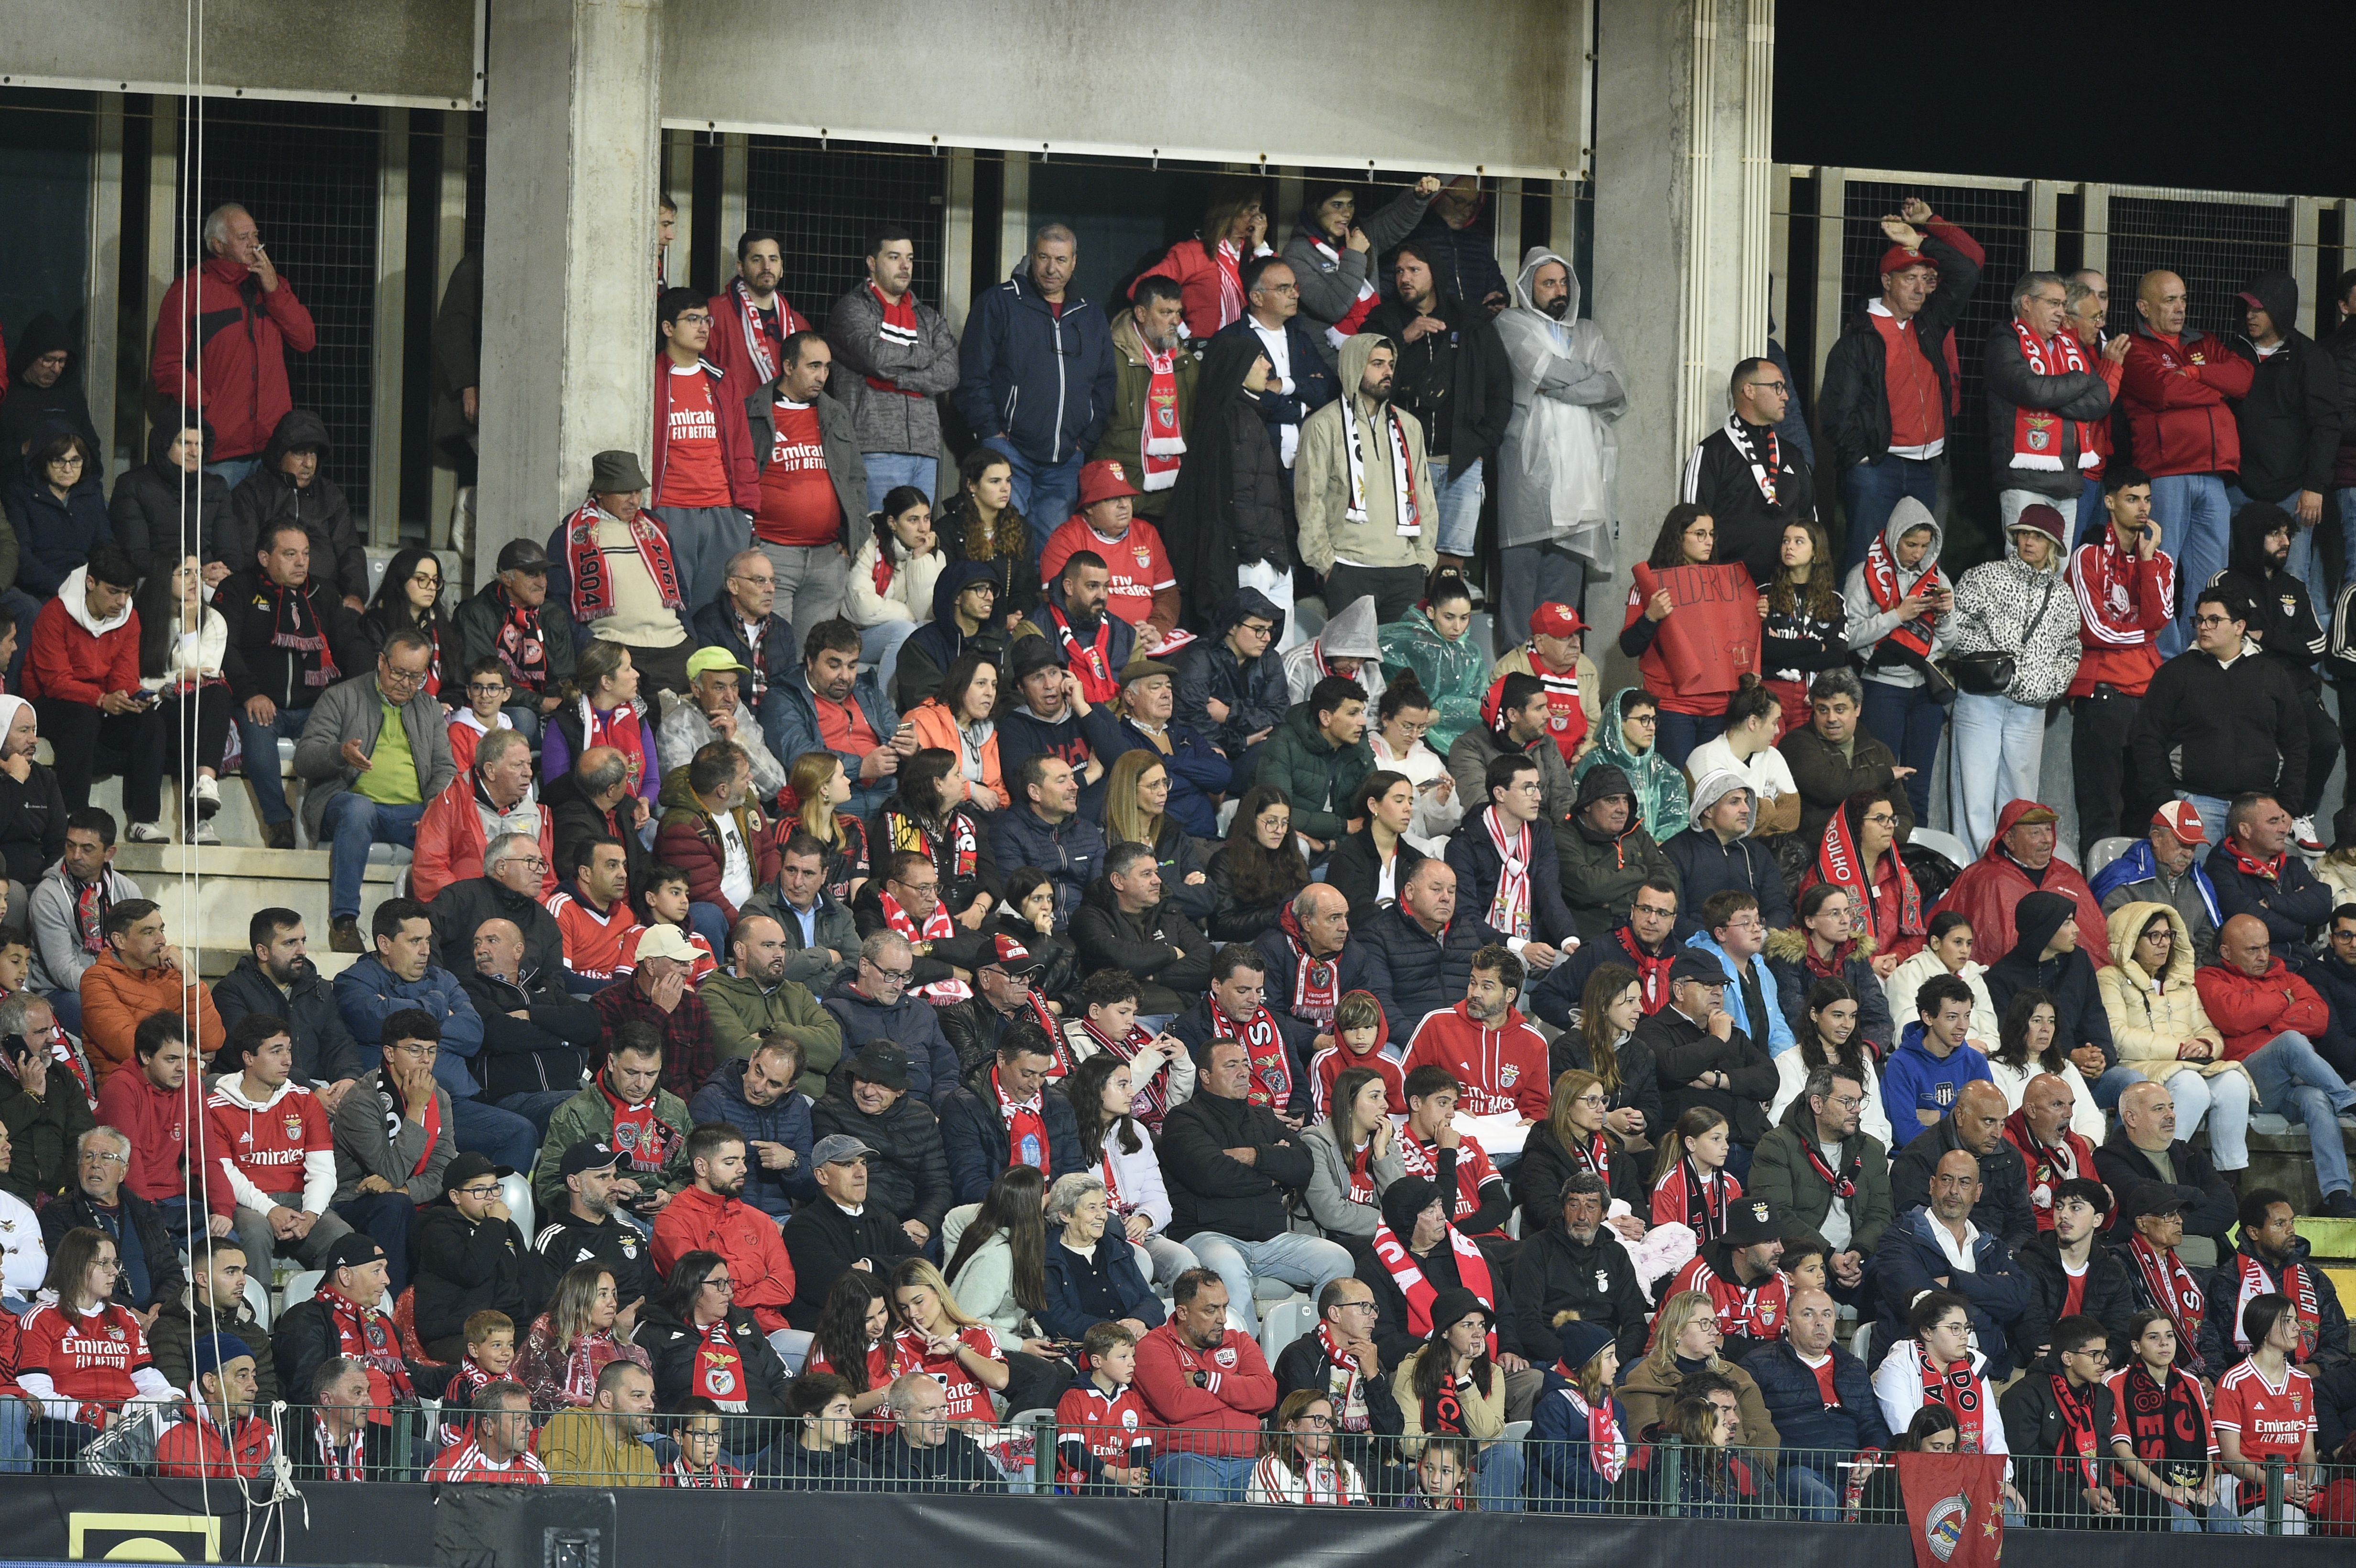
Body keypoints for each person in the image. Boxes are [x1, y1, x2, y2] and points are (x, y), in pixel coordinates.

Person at [1818, 202, 1984, 572]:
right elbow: (1835, 412)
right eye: (1910, 278)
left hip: (1928, 468)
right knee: (1866, 559)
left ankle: (1907, 631)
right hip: (1879, 467)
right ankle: (1857, 631)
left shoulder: (1929, 323)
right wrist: (1862, 460)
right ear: (1887, 281)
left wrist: (1920, 239)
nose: (1921, 289)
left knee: (1919, 564)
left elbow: (1967, 271)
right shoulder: (1859, 338)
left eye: (1926, 279)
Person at [1158, 1036, 1351, 1336]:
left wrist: (1253, 1155)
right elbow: (1212, 1177)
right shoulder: (1183, 1121)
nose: (1244, 1072)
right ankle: (1250, 1366)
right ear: (1205, 1076)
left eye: (1245, 1064)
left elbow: (1303, 1166)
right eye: (1231, 1065)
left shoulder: (1263, 1118)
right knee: (1229, 1272)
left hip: (1272, 1240)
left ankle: (1310, 1356)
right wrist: (1274, 1174)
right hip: (1209, 1237)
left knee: (1338, 1259)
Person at [955, 225, 1115, 568]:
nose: (1051, 268)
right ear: (1032, 257)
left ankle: (1040, 622)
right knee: (1000, 548)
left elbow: (1104, 384)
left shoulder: (1090, 315)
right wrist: (990, 433)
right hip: (1008, 452)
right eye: (1043, 257)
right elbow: (973, 374)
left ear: (1074, 263)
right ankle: (999, 617)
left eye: (1060, 260)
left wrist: (1084, 441)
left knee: (1052, 557)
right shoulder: (1000, 302)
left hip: (1065, 460)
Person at [1493, 246, 1629, 645]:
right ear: (1528, 288)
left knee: (1563, 598)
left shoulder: (1588, 332)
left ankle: (1556, 685)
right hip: (1528, 476)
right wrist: (1583, 376)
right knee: (1520, 589)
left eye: (1563, 282)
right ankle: (1516, 682)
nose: (1558, 290)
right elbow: (1542, 370)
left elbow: (1615, 385)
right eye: (1548, 283)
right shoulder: (1512, 323)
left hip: (1580, 484)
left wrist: (1559, 388)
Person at [2118, 271, 2258, 653]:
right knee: (2158, 570)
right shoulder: (2133, 346)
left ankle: (2198, 657)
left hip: (2213, 477)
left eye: (2182, 298)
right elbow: (2164, 389)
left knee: (2211, 580)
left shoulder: (2202, 343)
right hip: (2166, 475)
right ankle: (2161, 657)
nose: (2180, 308)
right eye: (2169, 301)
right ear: (2144, 307)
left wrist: (2196, 373)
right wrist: (2216, 390)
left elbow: (2243, 379)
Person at [293, 630, 453, 953]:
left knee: (456, 824)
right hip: (348, 806)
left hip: (412, 814)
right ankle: (345, 922)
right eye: (398, 673)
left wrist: (436, 807)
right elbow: (304, 757)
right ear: (381, 662)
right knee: (359, 810)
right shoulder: (342, 697)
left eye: (416, 677)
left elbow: (444, 768)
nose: (406, 684)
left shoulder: (430, 710)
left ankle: (445, 930)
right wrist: (340, 754)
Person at [1362, 242, 1513, 577]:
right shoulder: (1382, 321)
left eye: (1414, 270)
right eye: (1399, 271)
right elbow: (1360, 380)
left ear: (1435, 274)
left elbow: (1500, 388)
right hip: (1398, 465)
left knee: (1450, 567)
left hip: (1459, 464)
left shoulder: (1471, 323)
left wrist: (1481, 446)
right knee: (1400, 561)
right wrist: (1402, 340)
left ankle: (1441, 630)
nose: (1405, 278)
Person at [1943, 503, 2081, 858]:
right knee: (1973, 792)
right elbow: (1955, 629)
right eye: (2024, 534)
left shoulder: (2064, 596)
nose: (2028, 542)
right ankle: (1975, 872)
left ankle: (2013, 871)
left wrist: (2048, 685)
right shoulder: (1985, 576)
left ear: (2052, 544)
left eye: (2038, 536)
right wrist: (1997, 661)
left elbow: (2071, 649)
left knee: (2021, 796)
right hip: (1982, 698)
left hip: (2031, 708)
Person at [2195, 915, 2356, 1217]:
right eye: (2253, 950)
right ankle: (2349, 1101)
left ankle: (2338, 1194)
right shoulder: (2210, 978)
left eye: (2267, 948)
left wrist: (2264, 1016)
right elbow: (2235, 1018)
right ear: (2227, 952)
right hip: (2247, 1081)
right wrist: (2284, 1002)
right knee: (2292, 1041)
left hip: (2288, 1086)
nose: (2264, 956)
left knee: (2318, 1100)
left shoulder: (2288, 976)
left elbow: (2319, 1018)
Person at [150, 204, 316, 483]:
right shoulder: (190, 292)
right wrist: (206, 405)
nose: (254, 244)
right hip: (220, 452)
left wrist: (274, 290)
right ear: (218, 245)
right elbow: (167, 367)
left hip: (273, 448)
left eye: (255, 235)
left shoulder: (272, 285)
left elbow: (306, 340)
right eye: (243, 238)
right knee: (217, 526)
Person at [2212, 509, 2338, 849]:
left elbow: (2316, 645)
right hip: (2248, 686)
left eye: (2288, 535)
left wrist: (2268, 636)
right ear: (2254, 539)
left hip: (2296, 688)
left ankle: (2299, 814)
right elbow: (2228, 639)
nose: (2285, 543)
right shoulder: (2225, 583)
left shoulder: (2294, 587)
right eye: (2275, 535)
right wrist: (2284, 644)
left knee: (2327, 739)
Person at [2098, 899, 2252, 1174]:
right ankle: (2161, 1168)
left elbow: (2208, 1030)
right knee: (2190, 1085)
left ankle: (2230, 1177)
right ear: (2132, 939)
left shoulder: (2182, 982)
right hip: (2140, 1067)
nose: (2164, 943)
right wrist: (2180, 1049)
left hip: (2187, 1064)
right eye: (2154, 936)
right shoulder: (2111, 978)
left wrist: (2205, 1045)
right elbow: (2117, 1036)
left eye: (2168, 935)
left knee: (2233, 1082)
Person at [2066, 470, 2175, 858]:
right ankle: (2101, 901)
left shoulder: (2159, 561)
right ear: (2110, 501)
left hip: (2148, 699)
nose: (2143, 507)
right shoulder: (2088, 555)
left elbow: (2160, 618)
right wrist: (2144, 635)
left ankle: (2135, 904)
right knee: (2101, 810)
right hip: (2104, 695)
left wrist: (2146, 563)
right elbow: (2093, 630)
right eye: (2132, 498)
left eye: (2147, 499)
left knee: (2145, 810)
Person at [1294, 334, 1436, 625]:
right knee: (1350, 666)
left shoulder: (1410, 426)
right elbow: (1310, 500)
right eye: (1378, 364)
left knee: (1399, 670)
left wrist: (1423, 561)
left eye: (1391, 365)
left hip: (1405, 570)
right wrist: (1327, 565)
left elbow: (1424, 496)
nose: (1388, 372)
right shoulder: (1323, 425)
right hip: (1349, 569)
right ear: (1354, 367)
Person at [817, 224, 959, 513]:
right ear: (872, 263)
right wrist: (926, 355)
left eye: (910, 258)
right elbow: (876, 357)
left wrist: (900, 376)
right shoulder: (853, 310)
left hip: (925, 451)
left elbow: (949, 373)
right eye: (894, 257)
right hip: (873, 447)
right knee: (876, 545)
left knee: (917, 547)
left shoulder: (928, 318)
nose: (905, 266)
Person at [16, 1226, 175, 1465]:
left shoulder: (125, 1318)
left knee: (179, 1439)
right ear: (78, 1266)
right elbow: (36, 1394)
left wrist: (171, 1399)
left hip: (129, 1419)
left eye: (115, 1263)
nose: (114, 1272)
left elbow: (146, 1377)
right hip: (68, 1425)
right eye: (104, 1263)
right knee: (104, 1444)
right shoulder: (40, 1318)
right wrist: (95, 1415)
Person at [1872, 1150, 2033, 1378]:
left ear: (1978, 1192)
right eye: (1947, 1180)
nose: (1954, 1190)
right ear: (1932, 1185)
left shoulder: (1990, 1244)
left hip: (1989, 1375)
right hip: (1918, 1375)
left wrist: (1954, 1281)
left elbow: (2019, 1296)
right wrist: (1990, 1296)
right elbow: (1922, 1303)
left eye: (1965, 1183)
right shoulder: (1901, 1236)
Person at [1132, 1265, 1277, 1500]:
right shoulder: (1154, 1347)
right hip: (1184, 1457)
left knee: (1274, 1495)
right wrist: (1239, 1391)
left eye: (1225, 1307)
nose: (1222, 1319)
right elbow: (1176, 1405)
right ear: (1183, 1312)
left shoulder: (1241, 1342)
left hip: (1248, 1458)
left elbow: (1266, 1395)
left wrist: (1209, 1382)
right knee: (1204, 1497)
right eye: (1211, 1310)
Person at [1750, 1065, 1893, 1303]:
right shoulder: (1777, 1145)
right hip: (1803, 1259)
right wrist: (1827, 1255)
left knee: (1895, 1276)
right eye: (1847, 1101)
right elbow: (1776, 1215)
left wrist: (1858, 1252)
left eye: (1859, 1101)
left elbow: (1881, 1213)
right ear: (1817, 1104)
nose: (1857, 1110)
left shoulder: (1872, 1150)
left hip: (1859, 1259)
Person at [21, 544, 142, 818]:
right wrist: (101, 699)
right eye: (114, 591)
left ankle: (145, 819)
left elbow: (125, 672)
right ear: (90, 582)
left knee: (150, 723)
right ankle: (70, 815)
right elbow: (56, 682)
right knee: (83, 719)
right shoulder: (55, 613)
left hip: (98, 702)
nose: (122, 601)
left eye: (128, 592)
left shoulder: (129, 618)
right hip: (49, 702)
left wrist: (129, 696)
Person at [1748, 1285, 1890, 1518]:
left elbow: (1872, 1424)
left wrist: (1869, 1458)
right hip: (1794, 1469)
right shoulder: (1760, 1365)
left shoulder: (1852, 1367)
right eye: (1808, 1314)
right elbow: (1754, 1428)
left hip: (1850, 1471)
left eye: (1827, 1314)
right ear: (1787, 1322)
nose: (1820, 1322)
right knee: (1820, 1499)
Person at [1633, 953, 1774, 1176]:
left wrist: (1719, 1080)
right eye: (1708, 985)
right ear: (1679, 991)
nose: (1718, 992)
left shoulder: (1731, 1032)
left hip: (1753, 1146)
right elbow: (1671, 1068)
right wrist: (1717, 1040)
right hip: (1694, 1156)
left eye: (1721, 985)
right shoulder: (1653, 1029)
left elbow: (1769, 1079)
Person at [123, 554, 231, 844]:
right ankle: (143, 820)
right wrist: (175, 681)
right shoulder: (140, 618)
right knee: (154, 724)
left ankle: (204, 795)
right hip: (149, 707)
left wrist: (190, 627)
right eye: (185, 573)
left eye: (197, 572)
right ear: (163, 578)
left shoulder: (214, 621)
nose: (196, 579)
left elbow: (203, 676)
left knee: (218, 694)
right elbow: (139, 679)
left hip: (188, 708)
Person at [1933, 798, 2113, 970]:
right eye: (2036, 833)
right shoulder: (1983, 878)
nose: (2047, 840)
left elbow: (2097, 942)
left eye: (2048, 830)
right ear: (2009, 840)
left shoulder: (2068, 876)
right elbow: (1943, 926)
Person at [1683, 358, 1819, 585]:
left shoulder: (1793, 456)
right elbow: (1689, 528)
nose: (1785, 396)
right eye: (1777, 387)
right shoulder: (1711, 453)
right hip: (1726, 593)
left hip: (1784, 590)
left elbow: (1812, 527)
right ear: (1750, 391)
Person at [1343, 859, 1516, 1030]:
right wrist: (1421, 1043)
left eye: (1452, 891)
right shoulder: (1377, 935)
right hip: (1411, 1039)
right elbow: (1379, 1002)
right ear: (1410, 891)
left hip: (1467, 1037)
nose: (1446, 898)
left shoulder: (1464, 929)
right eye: (1436, 889)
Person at [219, 410, 366, 606]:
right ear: (280, 454)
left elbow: (350, 551)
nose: (309, 463)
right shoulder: (252, 492)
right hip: (269, 596)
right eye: (300, 454)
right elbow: (247, 553)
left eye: (313, 453)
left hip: (326, 598)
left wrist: (355, 594)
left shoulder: (330, 495)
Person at [2105, 1306, 2230, 1531]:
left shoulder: (2191, 1384)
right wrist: (2169, 1491)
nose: (2164, 1343)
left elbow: (2208, 1451)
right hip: (2133, 1488)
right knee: (2184, 1522)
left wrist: (2208, 1489)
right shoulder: (2116, 1384)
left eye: (2169, 1336)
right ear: (2136, 1346)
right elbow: (2122, 1453)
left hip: (2189, 1486)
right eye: (2154, 1337)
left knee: (2226, 1524)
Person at [1509, 1166, 1651, 1365]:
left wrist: (1615, 1359)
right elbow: (1527, 1323)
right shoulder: (1537, 1249)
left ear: (1604, 1214)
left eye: (1591, 1207)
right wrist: (1577, 1362)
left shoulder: (1615, 1254)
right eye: (1574, 1205)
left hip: (1609, 1360)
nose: (1582, 1216)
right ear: (1563, 1209)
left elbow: (1635, 1323)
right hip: (1556, 1359)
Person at [36, 1126, 179, 1320]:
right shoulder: (58, 1213)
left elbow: (172, 1271)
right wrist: (130, 1314)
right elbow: (69, 1275)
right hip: (96, 1319)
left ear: (123, 1172)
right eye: (88, 1157)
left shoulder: (146, 1212)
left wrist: (160, 1307)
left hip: (156, 1319)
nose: (95, 1164)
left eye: (106, 1157)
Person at [1997, 1311, 2125, 1526]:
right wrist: (2081, 1491)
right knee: (2073, 1506)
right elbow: (2024, 1465)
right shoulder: (2025, 1395)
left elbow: (2103, 1453)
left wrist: (2102, 1487)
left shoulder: (2102, 1396)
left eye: (2105, 1353)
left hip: (2086, 1488)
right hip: (2037, 1489)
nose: (2104, 1361)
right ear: (2068, 1358)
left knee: (2148, 1506)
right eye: (2095, 1354)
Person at [2203, 1186, 2349, 1372]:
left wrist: (2315, 1368)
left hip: (2314, 1380)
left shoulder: (2314, 1277)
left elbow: (2336, 1337)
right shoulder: (2230, 1280)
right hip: (2252, 1382)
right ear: (2254, 1233)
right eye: (2280, 1224)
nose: (2291, 1230)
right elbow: (2222, 1347)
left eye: (2292, 1221)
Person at [81, 899, 224, 1087]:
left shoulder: (173, 973)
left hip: (191, 1084)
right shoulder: (97, 980)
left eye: (161, 930)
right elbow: (134, 1049)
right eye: (149, 932)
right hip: (137, 1089)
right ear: (120, 940)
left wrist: (189, 975)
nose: (162, 940)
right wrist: (193, 1053)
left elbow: (212, 1041)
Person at [654, 744, 783, 952]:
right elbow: (706, 894)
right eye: (744, 777)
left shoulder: (746, 800)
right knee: (707, 915)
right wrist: (750, 933)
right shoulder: (683, 828)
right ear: (722, 790)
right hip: (726, 924)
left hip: (760, 910)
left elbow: (769, 852)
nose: (751, 779)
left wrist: (771, 906)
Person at [2213, 1292, 2323, 1532]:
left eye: (2296, 1320)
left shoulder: (2302, 1382)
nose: (2298, 1328)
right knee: (2290, 1526)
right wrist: (2277, 1485)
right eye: (2287, 1321)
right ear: (2264, 1328)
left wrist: (2304, 1485)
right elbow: (2232, 1457)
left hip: (2292, 1485)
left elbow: (2306, 1451)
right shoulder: (2234, 1381)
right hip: (2246, 1482)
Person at [1887, 1077, 2034, 1250]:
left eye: (2002, 1123)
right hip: (1942, 1254)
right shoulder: (1919, 1158)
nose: (1997, 1134)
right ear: (1960, 1115)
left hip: (2001, 1253)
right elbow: (1916, 1227)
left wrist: (2004, 1257)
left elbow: (2022, 1222)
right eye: (1989, 1122)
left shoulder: (2010, 1157)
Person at [25, 811, 137, 1036]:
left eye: (87, 849)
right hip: (60, 992)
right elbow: (63, 971)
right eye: (70, 845)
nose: (76, 856)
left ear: (109, 853)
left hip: (119, 985)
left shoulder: (127, 890)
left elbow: (142, 948)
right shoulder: (48, 895)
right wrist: (113, 990)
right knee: (96, 1014)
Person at [1100, 660, 1232, 847]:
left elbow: (1222, 776)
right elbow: (1147, 791)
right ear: (1130, 697)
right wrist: (1198, 780)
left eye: (1169, 687)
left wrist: (1170, 762)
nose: (1167, 694)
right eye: (1156, 687)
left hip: (1208, 838)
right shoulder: (1122, 738)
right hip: (1162, 844)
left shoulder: (1185, 732)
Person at [997, 631, 1125, 822]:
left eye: (1053, 673)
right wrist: (1090, 776)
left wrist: (1081, 707)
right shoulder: (1014, 729)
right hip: (1058, 831)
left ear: (1066, 676)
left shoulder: (1093, 713)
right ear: (1021, 688)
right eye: (1037, 677)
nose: (1049, 685)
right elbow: (1028, 793)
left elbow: (1125, 767)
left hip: (1114, 821)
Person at [454, 538, 572, 737]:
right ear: (507, 579)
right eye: (532, 574)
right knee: (525, 719)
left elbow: (564, 674)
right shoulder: (475, 613)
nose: (542, 582)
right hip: (494, 702)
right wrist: (540, 703)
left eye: (544, 574)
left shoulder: (553, 614)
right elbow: (483, 676)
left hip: (546, 703)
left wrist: (560, 702)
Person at [2014, 1178, 2136, 1370]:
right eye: (2059, 1207)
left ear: (2098, 1219)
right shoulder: (2029, 1262)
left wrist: (2096, 1362)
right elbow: (2032, 1335)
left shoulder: (2113, 1272)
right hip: (2036, 1369)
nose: (2063, 1215)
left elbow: (2120, 1336)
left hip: (2093, 1369)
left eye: (2076, 1208)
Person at [1555, 764, 1678, 947]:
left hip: (1641, 941)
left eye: (1625, 800)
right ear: (1588, 804)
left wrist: (1617, 905)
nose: (1622, 809)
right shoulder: (1564, 836)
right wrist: (1640, 872)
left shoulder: (1635, 831)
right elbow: (1589, 887)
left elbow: (1668, 879)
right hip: (1590, 943)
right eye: (1612, 800)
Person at [592, 926, 719, 1100]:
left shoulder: (695, 1005)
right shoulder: (607, 1003)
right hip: (622, 1109)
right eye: (680, 962)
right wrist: (660, 1011)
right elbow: (612, 1071)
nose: (688, 971)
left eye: (689, 963)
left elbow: (703, 1077)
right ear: (651, 964)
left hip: (681, 1111)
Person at [1254, 676, 1375, 853]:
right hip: (1285, 839)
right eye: (1353, 713)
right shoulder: (1283, 742)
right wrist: (1343, 826)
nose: (1362, 722)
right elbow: (1276, 811)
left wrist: (1332, 844)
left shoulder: (1359, 746)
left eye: (1362, 713)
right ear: (1326, 718)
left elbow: (1375, 810)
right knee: (1299, 846)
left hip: (1334, 846)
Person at [2094, 802, 2223, 966]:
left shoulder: (2199, 883)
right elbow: (2109, 943)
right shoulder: (2124, 880)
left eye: (2193, 846)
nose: (2188, 853)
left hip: (2188, 977)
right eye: (2182, 844)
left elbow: (2207, 943)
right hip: (2135, 974)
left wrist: (2192, 977)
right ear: (2157, 838)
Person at [1527, 1317, 1635, 1513]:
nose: (1617, 1364)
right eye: (1609, 1357)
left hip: (1608, 1497)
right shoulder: (1554, 1406)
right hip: (1562, 1502)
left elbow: (1626, 1454)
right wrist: (1605, 1491)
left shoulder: (1615, 1407)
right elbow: (1556, 1461)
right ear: (1589, 1363)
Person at [148, 1237, 273, 1404]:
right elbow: (178, 1398)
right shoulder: (168, 1329)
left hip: (250, 1429)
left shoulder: (256, 1334)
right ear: (202, 1280)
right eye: (231, 1272)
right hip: (193, 1427)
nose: (242, 1280)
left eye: (244, 1271)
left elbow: (266, 1401)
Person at [1209, 788, 1310, 948]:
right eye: (1271, 822)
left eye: (1285, 823)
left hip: (1288, 942)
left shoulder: (1293, 859)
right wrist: (1279, 915)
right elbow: (1221, 926)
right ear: (1251, 821)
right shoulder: (1223, 862)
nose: (1280, 830)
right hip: (1245, 947)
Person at [540, 1359, 659, 1486]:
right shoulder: (572, 1423)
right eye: (638, 1396)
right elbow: (564, 1490)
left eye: (651, 1397)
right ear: (607, 1399)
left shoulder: (645, 1455)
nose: (650, 1405)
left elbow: (648, 1505)